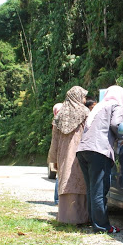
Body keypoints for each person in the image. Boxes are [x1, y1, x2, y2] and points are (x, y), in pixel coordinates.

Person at [76, 85, 123, 234]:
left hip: (83, 150)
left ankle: (94, 222)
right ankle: (102, 227)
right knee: (99, 190)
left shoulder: (99, 106)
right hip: (98, 150)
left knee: (92, 189)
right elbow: (116, 124)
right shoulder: (116, 105)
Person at [47, 86, 90, 225]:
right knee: (80, 181)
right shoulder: (85, 112)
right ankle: (81, 217)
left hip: (63, 154)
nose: (84, 100)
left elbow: (54, 139)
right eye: (83, 96)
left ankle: (65, 217)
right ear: (77, 97)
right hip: (80, 152)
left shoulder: (60, 115)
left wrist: (53, 159)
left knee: (65, 179)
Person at [50, 103, 63, 205]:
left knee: (59, 175)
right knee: (60, 176)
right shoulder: (60, 120)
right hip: (62, 150)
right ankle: (58, 199)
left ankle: (57, 199)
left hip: (59, 150)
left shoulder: (55, 121)